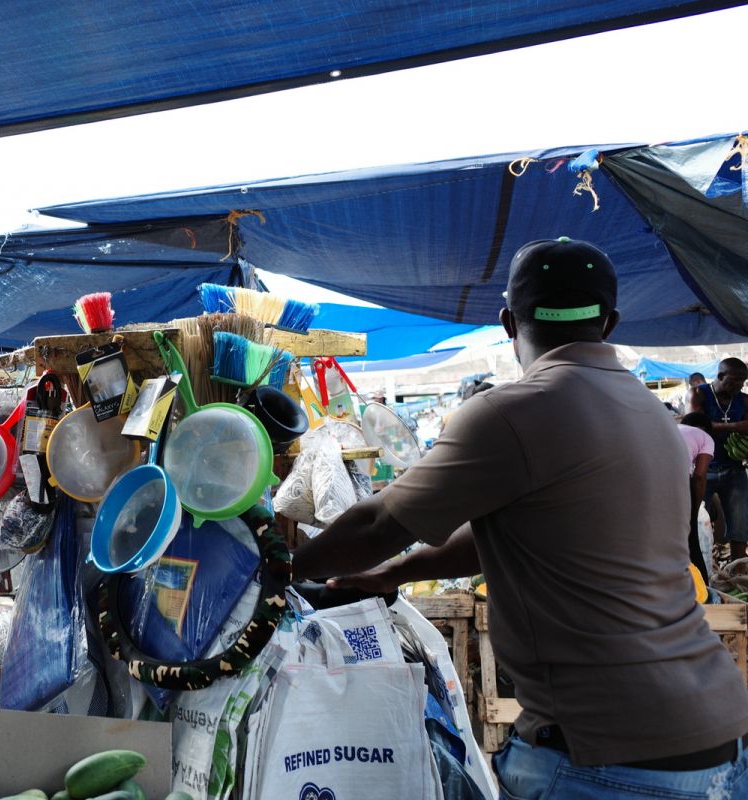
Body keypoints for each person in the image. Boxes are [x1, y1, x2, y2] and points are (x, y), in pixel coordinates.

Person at [293, 237, 748, 797]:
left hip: (605, 755)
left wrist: (279, 568)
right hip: (719, 733)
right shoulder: (653, 413)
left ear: (509, 321)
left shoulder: (510, 412)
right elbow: (519, 532)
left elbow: (378, 525)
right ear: (609, 322)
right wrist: (396, 575)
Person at [689, 358, 748, 561]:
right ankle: (699, 569)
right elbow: (696, 426)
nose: (739, 386)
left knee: (740, 525)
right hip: (703, 470)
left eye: (743, 383)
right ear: (721, 376)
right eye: (734, 382)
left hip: (734, 469)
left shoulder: (744, 400)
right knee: (696, 523)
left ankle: (737, 569)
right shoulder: (699, 394)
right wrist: (735, 426)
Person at [678, 412, 715, 582]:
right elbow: (699, 476)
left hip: (645, 483)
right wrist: (694, 508)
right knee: (691, 542)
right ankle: (705, 594)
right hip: (676, 484)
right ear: (704, 428)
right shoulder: (704, 437)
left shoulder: (671, 428)